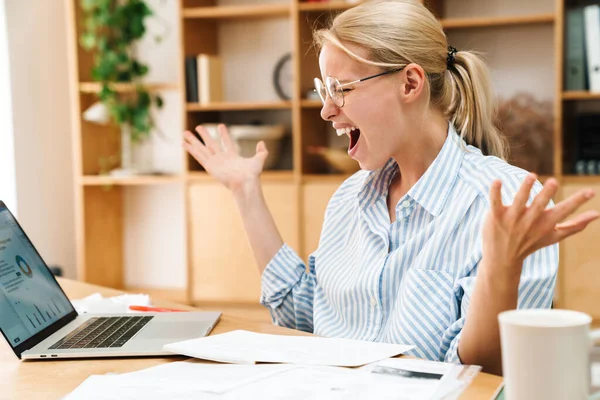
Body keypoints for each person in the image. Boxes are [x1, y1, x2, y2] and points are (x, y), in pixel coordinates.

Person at [183, 0, 599, 375]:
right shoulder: (350, 199)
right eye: (323, 91)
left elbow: (482, 373)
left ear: (410, 84)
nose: (327, 110)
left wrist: (499, 269)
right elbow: (303, 319)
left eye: (340, 89)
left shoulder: (506, 204)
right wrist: (246, 192)